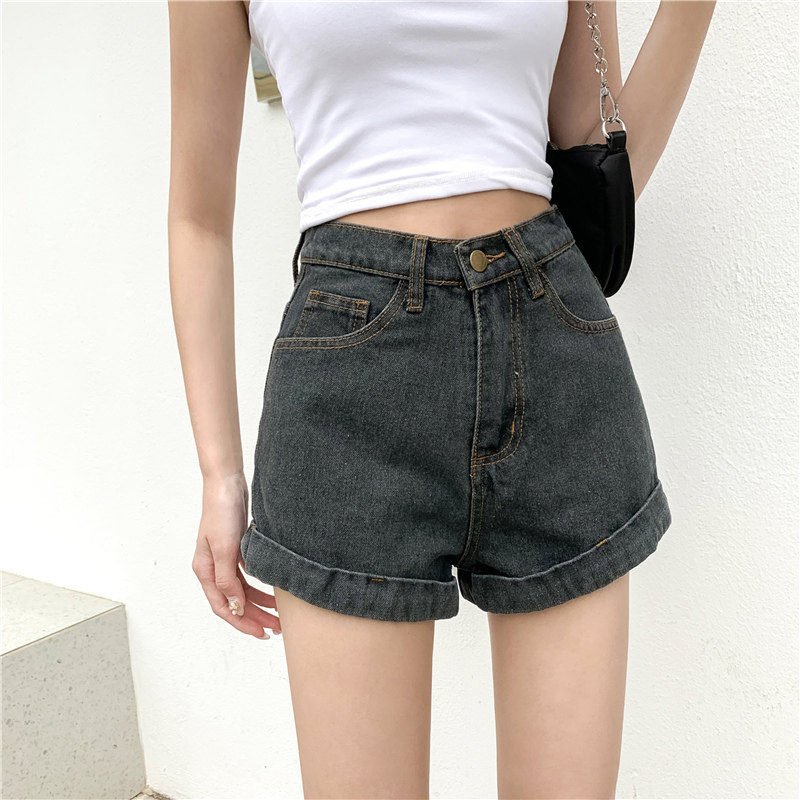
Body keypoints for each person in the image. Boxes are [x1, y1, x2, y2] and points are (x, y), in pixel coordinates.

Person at [167, 1, 716, 797]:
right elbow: (197, 218)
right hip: (351, 380)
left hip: (554, 349)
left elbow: (599, 170)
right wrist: (219, 474)